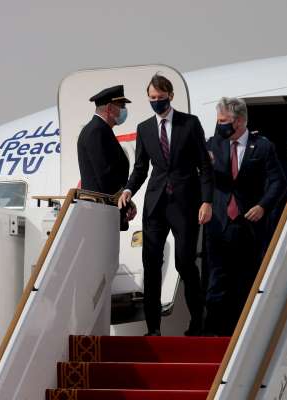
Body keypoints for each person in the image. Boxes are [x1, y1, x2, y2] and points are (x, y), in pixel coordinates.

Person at [118, 74, 214, 336]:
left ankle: (198, 321)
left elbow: (204, 166)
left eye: (160, 98)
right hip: (156, 204)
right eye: (152, 98)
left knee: (185, 262)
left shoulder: (189, 124)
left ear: (170, 96)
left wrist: (207, 201)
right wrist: (128, 189)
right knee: (151, 264)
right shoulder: (144, 128)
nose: (156, 102)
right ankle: (153, 329)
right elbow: (141, 168)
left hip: (185, 204)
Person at [204, 97, 286, 336]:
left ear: (238, 121)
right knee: (216, 282)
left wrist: (263, 206)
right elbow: (202, 177)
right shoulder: (213, 144)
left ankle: (241, 335)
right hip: (219, 224)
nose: (219, 125)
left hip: (249, 225)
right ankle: (213, 335)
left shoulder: (262, 146)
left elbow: (278, 182)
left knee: (245, 282)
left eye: (223, 121)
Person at [77, 85, 135, 228]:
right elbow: (105, 176)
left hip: (105, 209)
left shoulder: (102, 130)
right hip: (100, 212)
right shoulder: (96, 131)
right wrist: (125, 201)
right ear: (109, 108)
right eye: (121, 106)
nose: (124, 110)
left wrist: (127, 199)